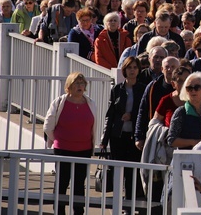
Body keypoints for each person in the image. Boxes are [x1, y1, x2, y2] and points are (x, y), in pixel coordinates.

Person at [44, 72, 98, 215]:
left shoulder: (90, 103)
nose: (80, 86)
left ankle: (78, 211)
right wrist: (57, 140)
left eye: (82, 83)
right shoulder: (59, 102)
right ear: (69, 86)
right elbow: (48, 126)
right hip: (63, 150)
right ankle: (59, 211)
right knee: (62, 182)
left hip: (84, 150)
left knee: (79, 184)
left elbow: (93, 126)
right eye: (76, 83)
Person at [101, 57, 145, 202]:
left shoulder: (143, 88)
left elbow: (144, 112)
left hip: (134, 136)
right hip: (118, 135)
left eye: (134, 67)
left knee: (132, 171)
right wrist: (104, 139)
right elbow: (110, 114)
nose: (132, 70)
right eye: (129, 67)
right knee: (119, 170)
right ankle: (119, 202)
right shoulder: (117, 89)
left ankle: (130, 201)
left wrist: (131, 116)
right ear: (124, 70)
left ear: (138, 70)